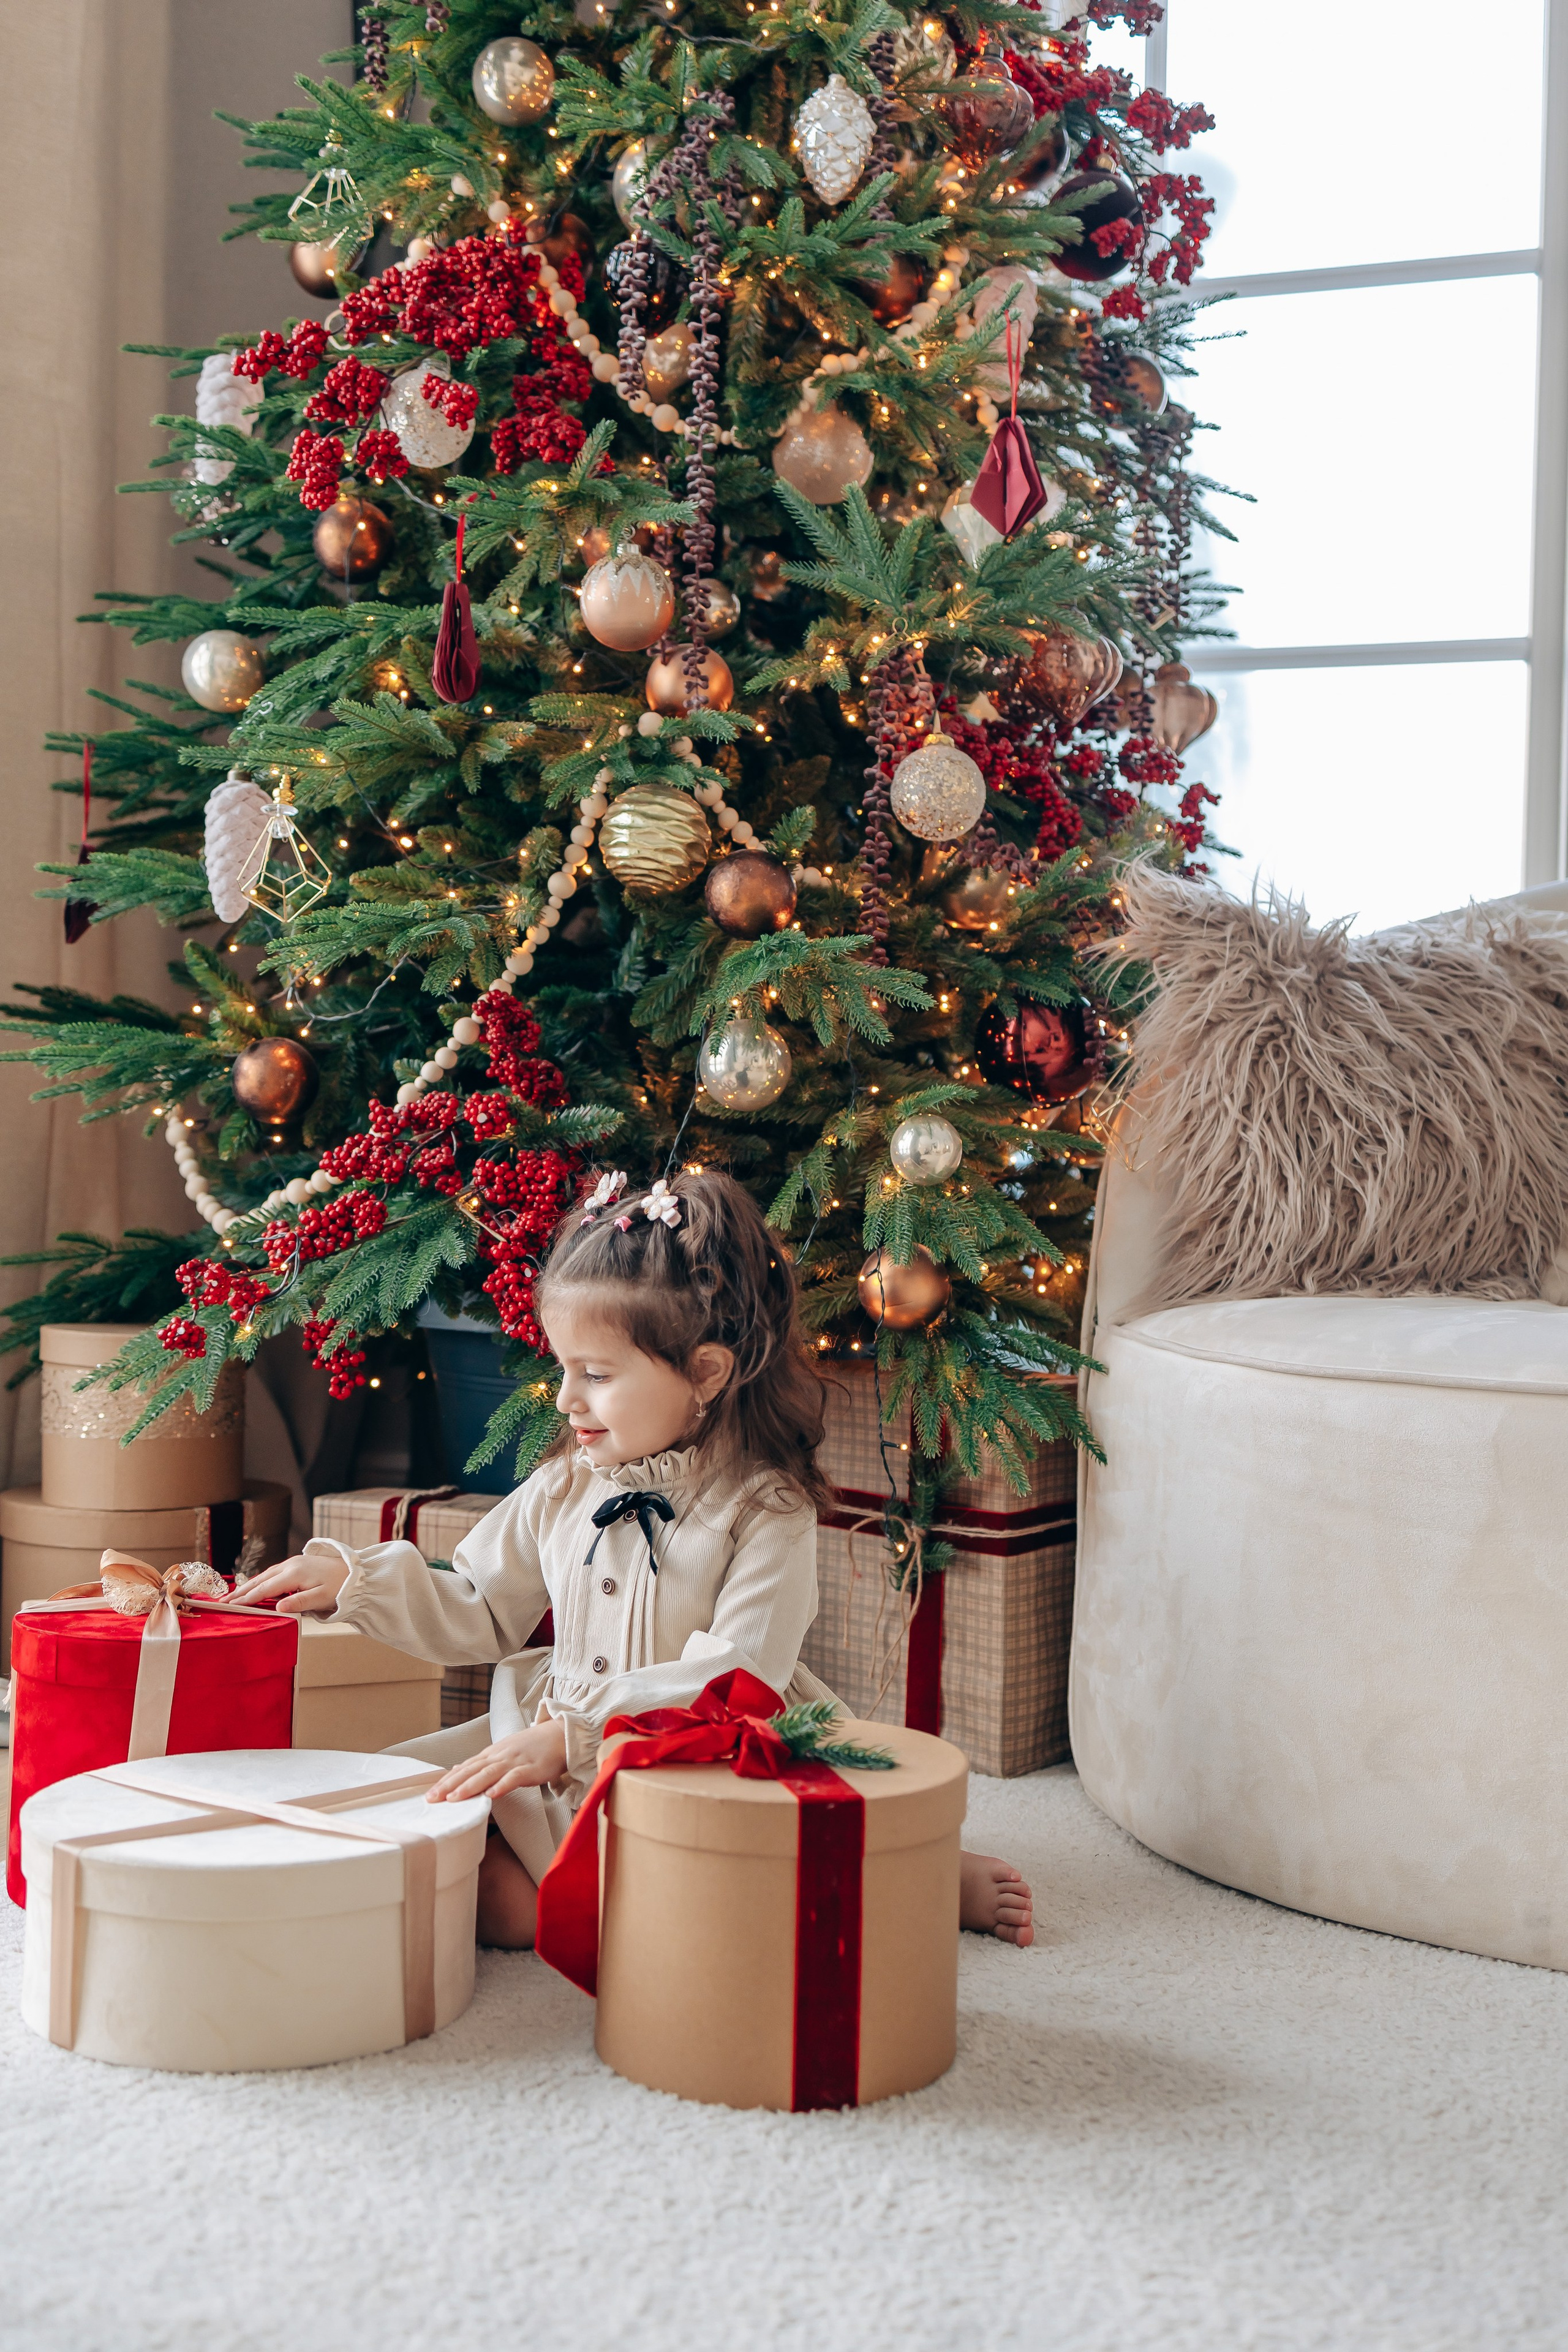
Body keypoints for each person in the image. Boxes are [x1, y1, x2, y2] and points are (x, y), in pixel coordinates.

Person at [239, 1168, 1034, 1950]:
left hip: (703, 1751)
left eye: (596, 1374)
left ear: (705, 1374)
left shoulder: (765, 1509)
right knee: (392, 1805)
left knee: (734, 1885)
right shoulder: (562, 1487)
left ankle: (930, 1875)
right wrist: (359, 1581)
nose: (564, 1399)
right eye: (561, 1368)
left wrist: (579, 1736)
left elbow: (739, 1675)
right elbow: (480, 1607)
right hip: (551, 1735)